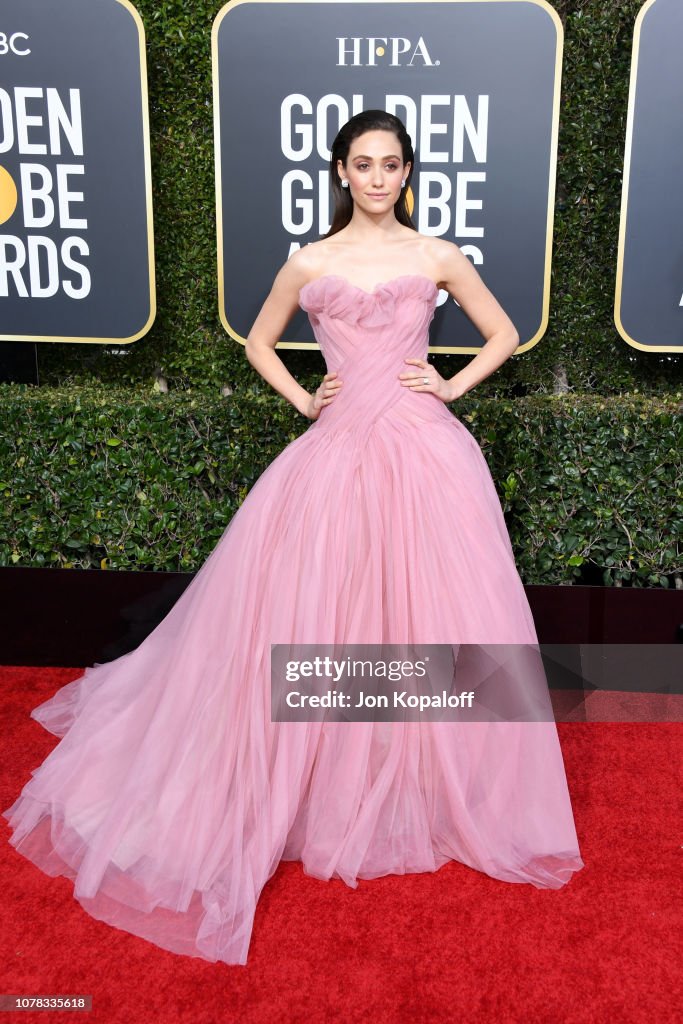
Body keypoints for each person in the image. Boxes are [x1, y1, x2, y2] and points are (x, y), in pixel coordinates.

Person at [2, 110, 583, 967]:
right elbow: (260, 340)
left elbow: (504, 331)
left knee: (431, 611)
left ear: (406, 173)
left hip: (424, 451)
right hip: (337, 449)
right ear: (341, 172)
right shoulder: (309, 262)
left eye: (391, 164)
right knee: (326, 606)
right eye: (363, 164)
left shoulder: (437, 255)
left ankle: (423, 770)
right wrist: (305, 398)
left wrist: (452, 384)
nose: (378, 177)